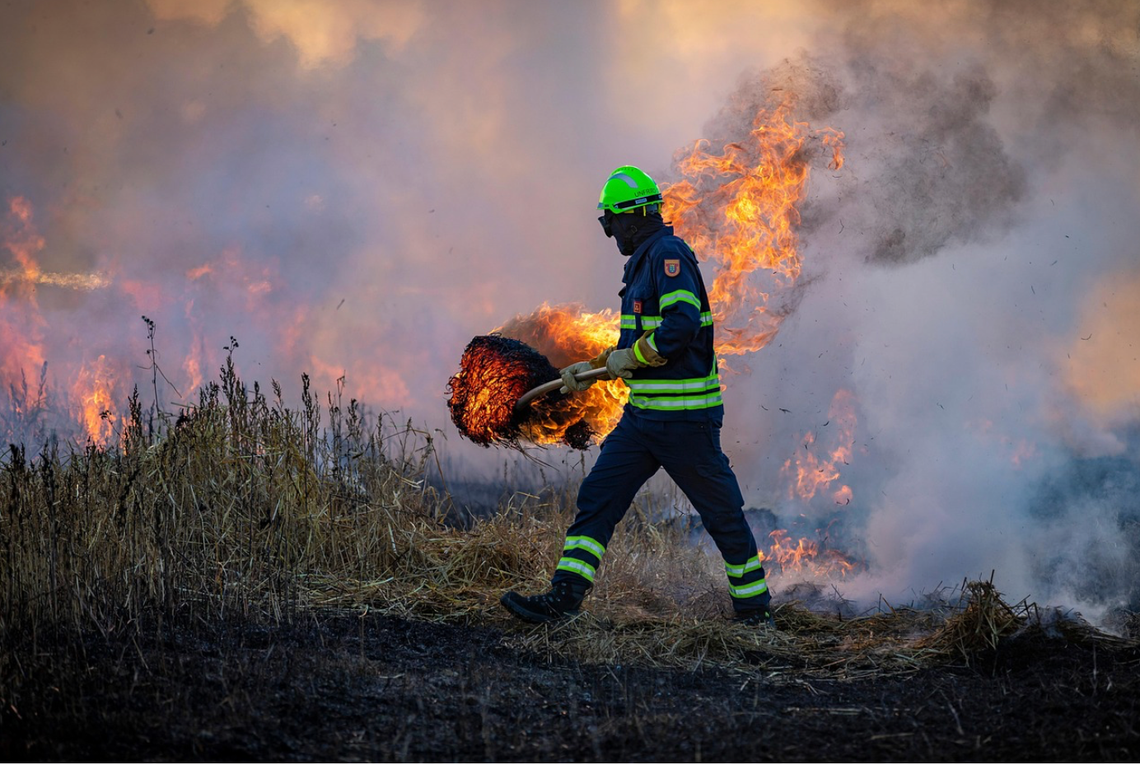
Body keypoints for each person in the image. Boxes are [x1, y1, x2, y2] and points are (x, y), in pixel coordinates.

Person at [500, 165, 775, 627]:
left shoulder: (667, 255)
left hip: (686, 423)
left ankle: (754, 614)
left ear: (630, 218)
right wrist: (594, 368)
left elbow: (680, 327)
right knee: (598, 498)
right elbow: (639, 345)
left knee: (722, 516)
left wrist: (633, 357)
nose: (613, 237)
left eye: (612, 225)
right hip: (643, 422)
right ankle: (562, 600)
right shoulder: (644, 262)